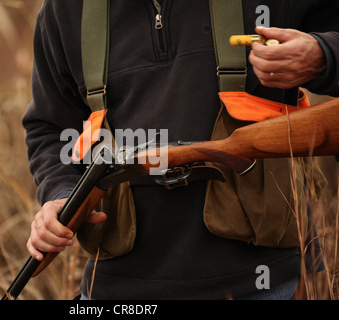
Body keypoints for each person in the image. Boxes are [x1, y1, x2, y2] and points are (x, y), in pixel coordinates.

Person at [22, 0, 339, 300]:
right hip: (115, 291)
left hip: (270, 284)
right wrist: (60, 196)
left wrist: (324, 56)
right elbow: (49, 129)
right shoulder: (64, 10)